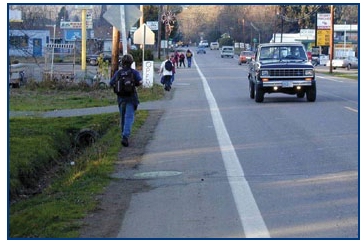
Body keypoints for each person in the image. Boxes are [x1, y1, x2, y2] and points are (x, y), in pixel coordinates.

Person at [110, 54, 143, 147]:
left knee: (123, 117)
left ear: (122, 63)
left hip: (121, 98)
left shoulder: (118, 73)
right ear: (131, 63)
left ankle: (123, 135)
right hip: (131, 98)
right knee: (129, 117)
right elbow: (140, 82)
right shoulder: (134, 72)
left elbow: (111, 83)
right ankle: (125, 136)